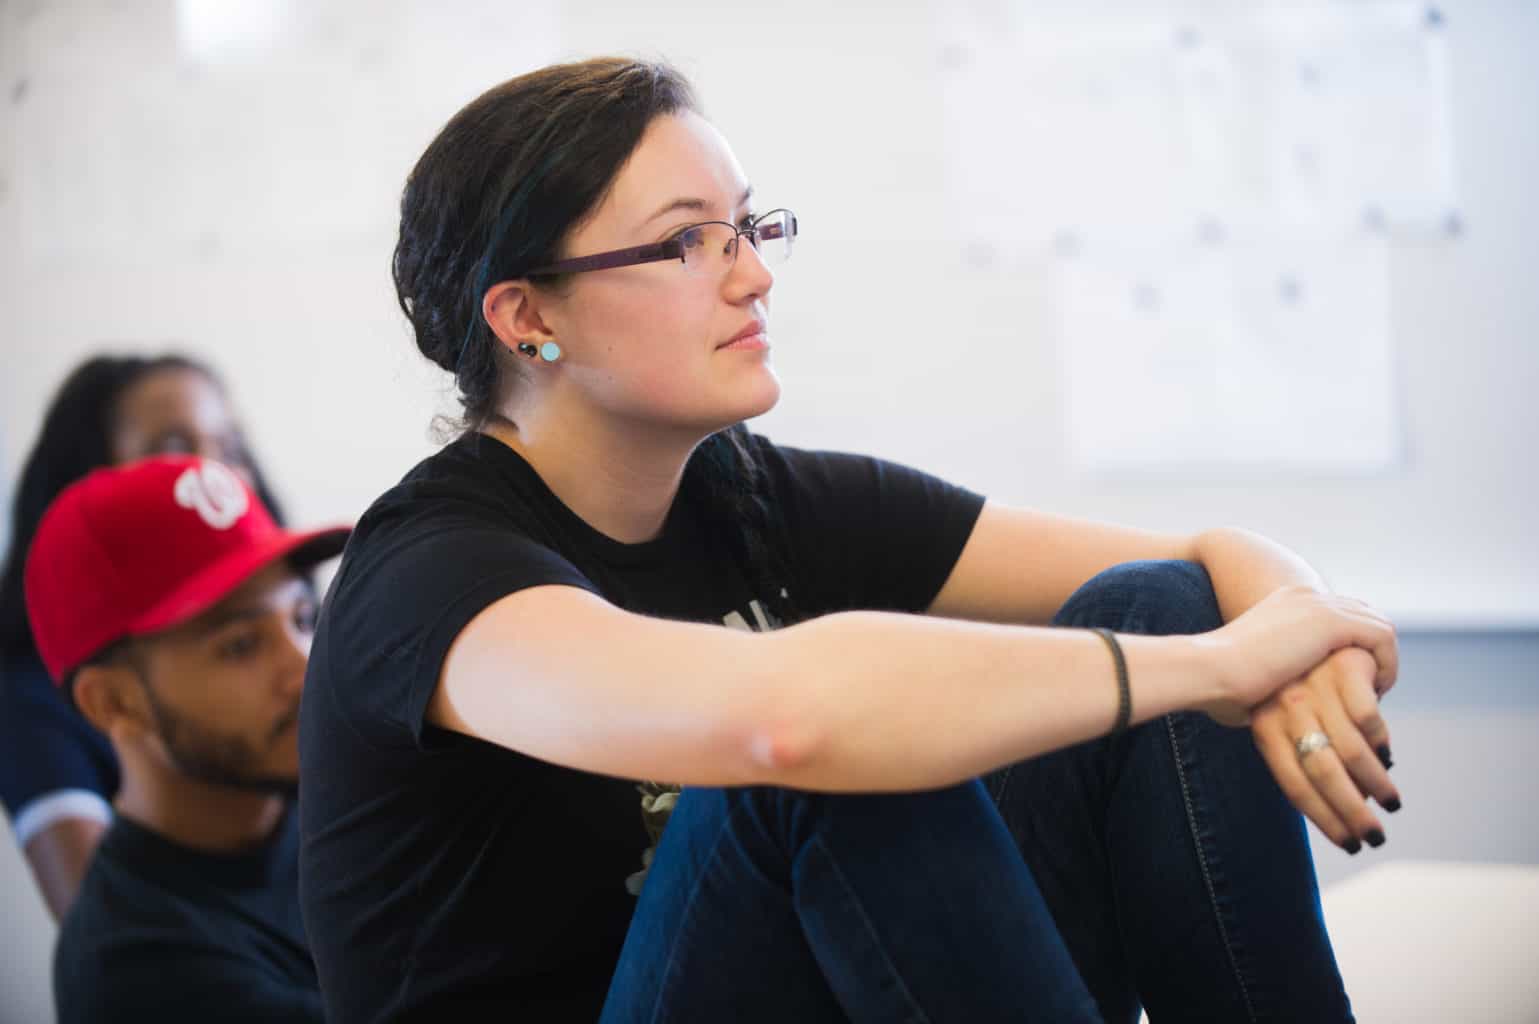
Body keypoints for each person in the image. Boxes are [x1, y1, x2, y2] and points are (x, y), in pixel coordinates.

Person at [300, 57, 1402, 1023]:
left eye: (747, 225)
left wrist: (1296, 629)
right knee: (827, 745)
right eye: (688, 241)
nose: (755, 272)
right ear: (528, 318)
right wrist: (1218, 668)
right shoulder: (425, 575)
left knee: (1153, 601)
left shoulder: (751, 496)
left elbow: (1205, 565)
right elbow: (788, 726)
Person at [25, 454, 348, 1022]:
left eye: (301, 618)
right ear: (114, 703)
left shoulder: (343, 798)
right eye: (240, 646)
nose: (306, 668)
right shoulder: (137, 968)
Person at [0, 353, 289, 921]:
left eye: (230, 449)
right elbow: (99, 924)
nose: (214, 475)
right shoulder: (29, 695)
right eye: (173, 448)